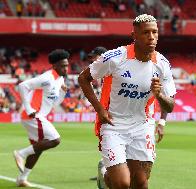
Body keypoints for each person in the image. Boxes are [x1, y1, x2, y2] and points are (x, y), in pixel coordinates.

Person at [78, 14, 176, 189]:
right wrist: (100, 109)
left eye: (155, 32)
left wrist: (159, 95)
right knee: (122, 184)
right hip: (113, 124)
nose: (151, 37)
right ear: (134, 36)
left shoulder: (162, 64)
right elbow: (84, 78)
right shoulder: (115, 58)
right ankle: (106, 175)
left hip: (142, 125)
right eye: (146, 32)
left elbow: (170, 105)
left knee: (140, 183)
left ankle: (107, 174)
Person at [13, 49, 69, 187]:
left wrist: (62, 93)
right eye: (63, 65)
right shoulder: (47, 78)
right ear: (55, 65)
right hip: (32, 115)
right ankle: (20, 153)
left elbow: (54, 103)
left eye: (67, 65)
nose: (66, 68)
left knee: (38, 149)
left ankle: (22, 179)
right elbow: (22, 86)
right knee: (55, 140)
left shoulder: (60, 79)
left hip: (37, 115)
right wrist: (28, 108)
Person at [86, 46, 108, 182]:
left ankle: (106, 168)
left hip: (111, 112)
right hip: (104, 110)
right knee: (103, 139)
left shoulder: (110, 70)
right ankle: (104, 167)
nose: (93, 59)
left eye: (94, 56)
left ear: (101, 56)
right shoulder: (101, 73)